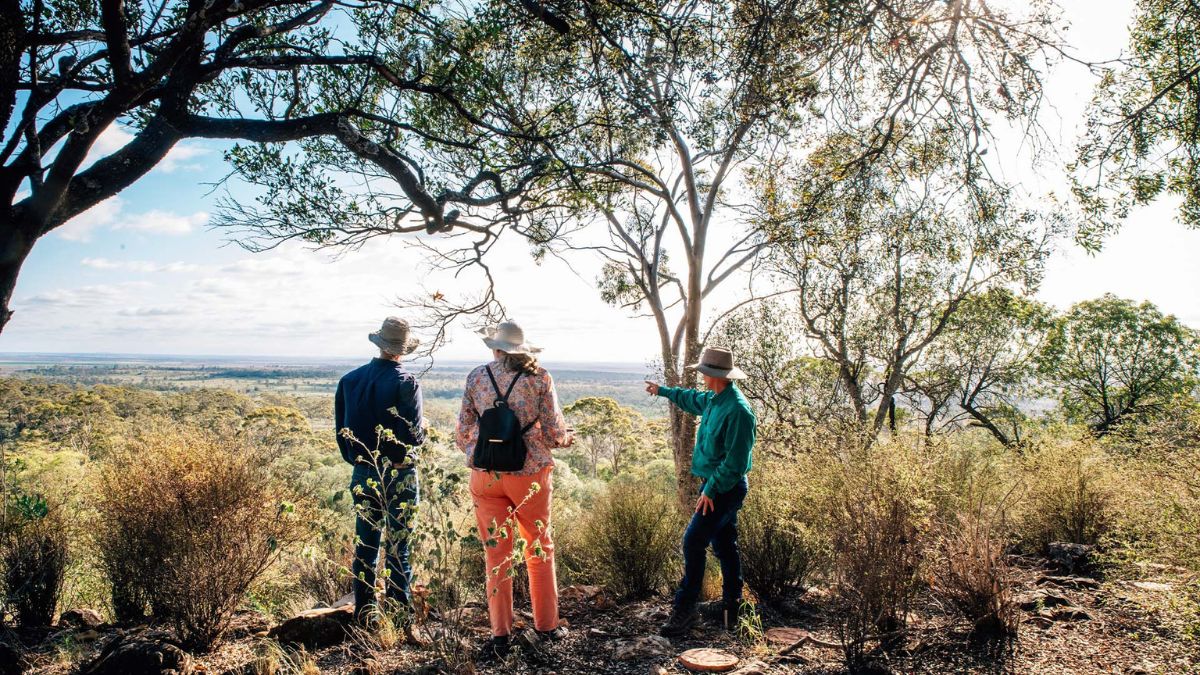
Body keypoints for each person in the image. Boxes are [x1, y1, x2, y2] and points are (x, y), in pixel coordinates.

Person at [455, 320, 575, 660]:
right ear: (523, 350)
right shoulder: (540, 378)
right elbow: (554, 433)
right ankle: (547, 626)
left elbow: (463, 432)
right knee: (538, 547)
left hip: (485, 476)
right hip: (529, 475)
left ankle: (500, 635)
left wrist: (481, 452)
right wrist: (566, 438)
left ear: (495, 348)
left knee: (497, 555)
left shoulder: (477, 377)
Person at [644, 346, 757, 637]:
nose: (701, 377)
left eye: (703, 372)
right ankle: (733, 606)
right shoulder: (715, 399)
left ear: (712, 374)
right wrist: (663, 391)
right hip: (711, 486)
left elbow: (736, 462)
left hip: (723, 488)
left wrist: (711, 488)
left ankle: (686, 610)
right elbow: (691, 399)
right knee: (724, 545)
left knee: (693, 541)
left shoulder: (739, 411)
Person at [335, 317, 425, 624]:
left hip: (363, 472)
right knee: (399, 547)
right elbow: (413, 434)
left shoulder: (349, 381)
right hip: (398, 473)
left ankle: (365, 615)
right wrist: (422, 432)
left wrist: (360, 461)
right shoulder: (406, 383)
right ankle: (401, 619)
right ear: (402, 349)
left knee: (366, 546)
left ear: (380, 344)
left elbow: (341, 432)